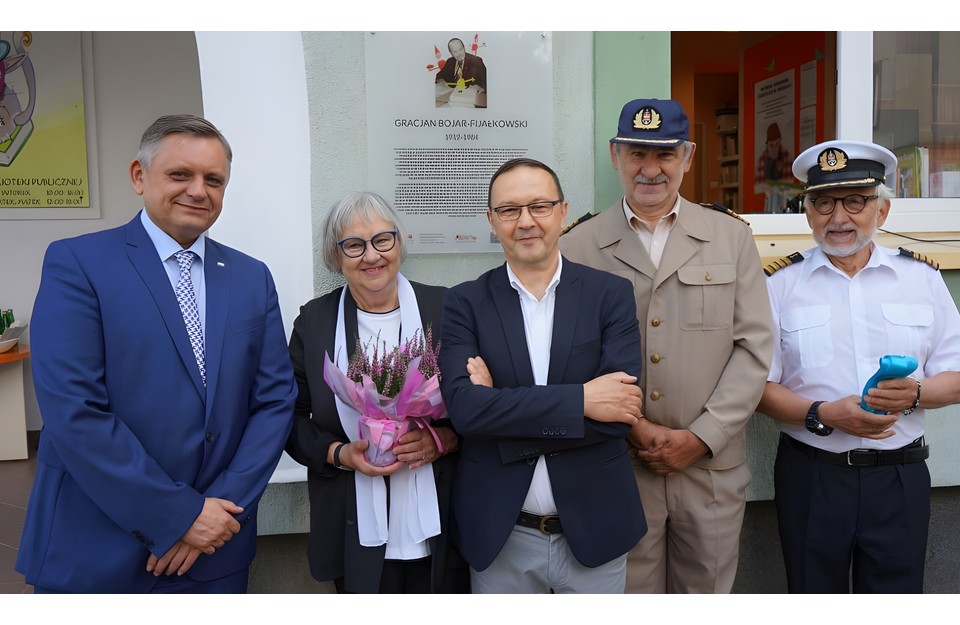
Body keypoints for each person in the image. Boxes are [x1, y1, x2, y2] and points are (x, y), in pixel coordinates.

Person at [17, 114, 297, 593]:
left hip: (216, 548)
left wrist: (217, 513)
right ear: (139, 176)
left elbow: (275, 401)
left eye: (214, 180)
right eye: (180, 174)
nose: (198, 191)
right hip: (96, 546)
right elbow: (73, 410)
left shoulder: (252, 277)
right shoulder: (78, 263)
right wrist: (179, 515)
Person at [560, 98, 773, 594]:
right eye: (637, 153)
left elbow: (755, 348)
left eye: (665, 154)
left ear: (688, 157)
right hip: (620, 463)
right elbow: (571, 355)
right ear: (615, 155)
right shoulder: (577, 246)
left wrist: (701, 436)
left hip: (711, 466)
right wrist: (636, 428)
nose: (650, 169)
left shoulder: (731, 237)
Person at [757, 139, 960, 593]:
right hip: (813, 476)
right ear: (808, 212)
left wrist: (915, 393)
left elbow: (957, 381)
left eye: (855, 201)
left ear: (882, 210)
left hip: (899, 477)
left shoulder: (921, 278)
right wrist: (822, 413)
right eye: (823, 203)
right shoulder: (779, 284)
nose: (838, 217)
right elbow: (757, 388)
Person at [439, 158, 647, 593]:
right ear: (491, 220)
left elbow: (619, 416)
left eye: (539, 206)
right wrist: (582, 400)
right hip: (501, 533)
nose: (526, 221)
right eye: (509, 210)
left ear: (562, 211)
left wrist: (500, 408)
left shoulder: (610, 295)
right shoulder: (464, 303)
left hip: (597, 527)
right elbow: (466, 413)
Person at [284, 192, 468, 594]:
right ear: (336, 256)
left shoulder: (446, 307)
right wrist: (338, 454)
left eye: (382, 240)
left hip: (441, 521)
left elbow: (479, 404)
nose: (372, 255)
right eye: (354, 245)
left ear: (399, 242)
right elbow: (289, 418)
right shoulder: (315, 322)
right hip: (350, 523)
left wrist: (443, 440)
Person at [435, 37, 487, 108]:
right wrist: (442, 81)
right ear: (451, 53)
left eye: (460, 49)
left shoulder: (476, 61)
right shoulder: (450, 61)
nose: (459, 54)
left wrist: (480, 88)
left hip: (470, 102)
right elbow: (439, 77)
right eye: (455, 51)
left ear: (464, 48)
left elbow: (487, 83)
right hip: (451, 100)